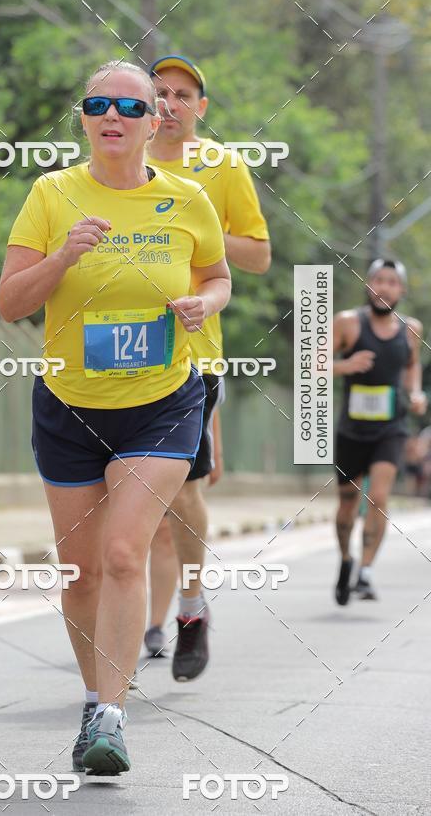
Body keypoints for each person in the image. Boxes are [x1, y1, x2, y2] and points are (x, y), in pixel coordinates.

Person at [0, 60, 231, 775]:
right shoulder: (51, 194)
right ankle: (96, 694)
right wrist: (64, 255)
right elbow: (10, 302)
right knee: (81, 573)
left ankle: (109, 716)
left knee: (127, 552)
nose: (113, 116)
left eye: (129, 107)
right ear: (84, 118)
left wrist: (206, 304)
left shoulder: (189, 199)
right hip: (70, 407)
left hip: (163, 402)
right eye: (97, 104)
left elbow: (219, 276)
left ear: (154, 121)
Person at [143, 55, 271, 679]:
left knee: (183, 495)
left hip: (192, 351)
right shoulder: (115, 162)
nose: (169, 102)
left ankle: (190, 609)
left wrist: (202, 233)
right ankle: (129, 633)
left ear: (202, 107)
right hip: (108, 352)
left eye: (183, 93)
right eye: (158, 92)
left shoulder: (222, 166)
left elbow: (259, 257)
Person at [332, 259, 427, 605]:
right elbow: (312, 363)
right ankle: (346, 560)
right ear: (368, 286)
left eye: (391, 282)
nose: (383, 287)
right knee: (347, 503)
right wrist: (345, 365)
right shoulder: (347, 322)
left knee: (380, 498)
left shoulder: (410, 328)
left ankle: (366, 572)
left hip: (392, 427)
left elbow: (412, 364)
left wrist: (415, 393)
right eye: (378, 281)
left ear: (401, 290)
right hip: (352, 430)